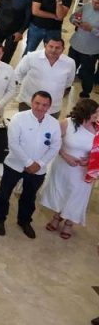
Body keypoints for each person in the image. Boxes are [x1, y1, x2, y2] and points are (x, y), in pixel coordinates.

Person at [0, 91, 60, 239]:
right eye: (37, 103)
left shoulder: (54, 123)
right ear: (31, 102)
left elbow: (55, 147)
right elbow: (13, 143)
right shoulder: (19, 118)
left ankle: (24, 221)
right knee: (4, 194)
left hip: (38, 169)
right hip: (14, 165)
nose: (40, 107)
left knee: (29, 197)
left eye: (44, 105)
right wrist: (28, 163)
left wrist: (39, 164)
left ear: (49, 106)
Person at [40, 98, 98, 240]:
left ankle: (69, 223)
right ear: (85, 113)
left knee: (77, 195)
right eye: (95, 113)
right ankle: (57, 216)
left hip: (82, 170)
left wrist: (89, 160)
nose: (97, 115)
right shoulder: (66, 124)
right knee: (61, 191)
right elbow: (53, 142)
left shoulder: (97, 129)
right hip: (62, 165)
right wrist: (65, 155)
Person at [15, 38, 76, 117]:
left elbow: (68, 83)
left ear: (63, 49)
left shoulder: (70, 63)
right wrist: (18, 93)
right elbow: (17, 75)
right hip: (28, 104)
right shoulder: (31, 57)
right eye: (51, 46)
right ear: (45, 45)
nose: (53, 50)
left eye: (57, 48)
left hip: (53, 108)